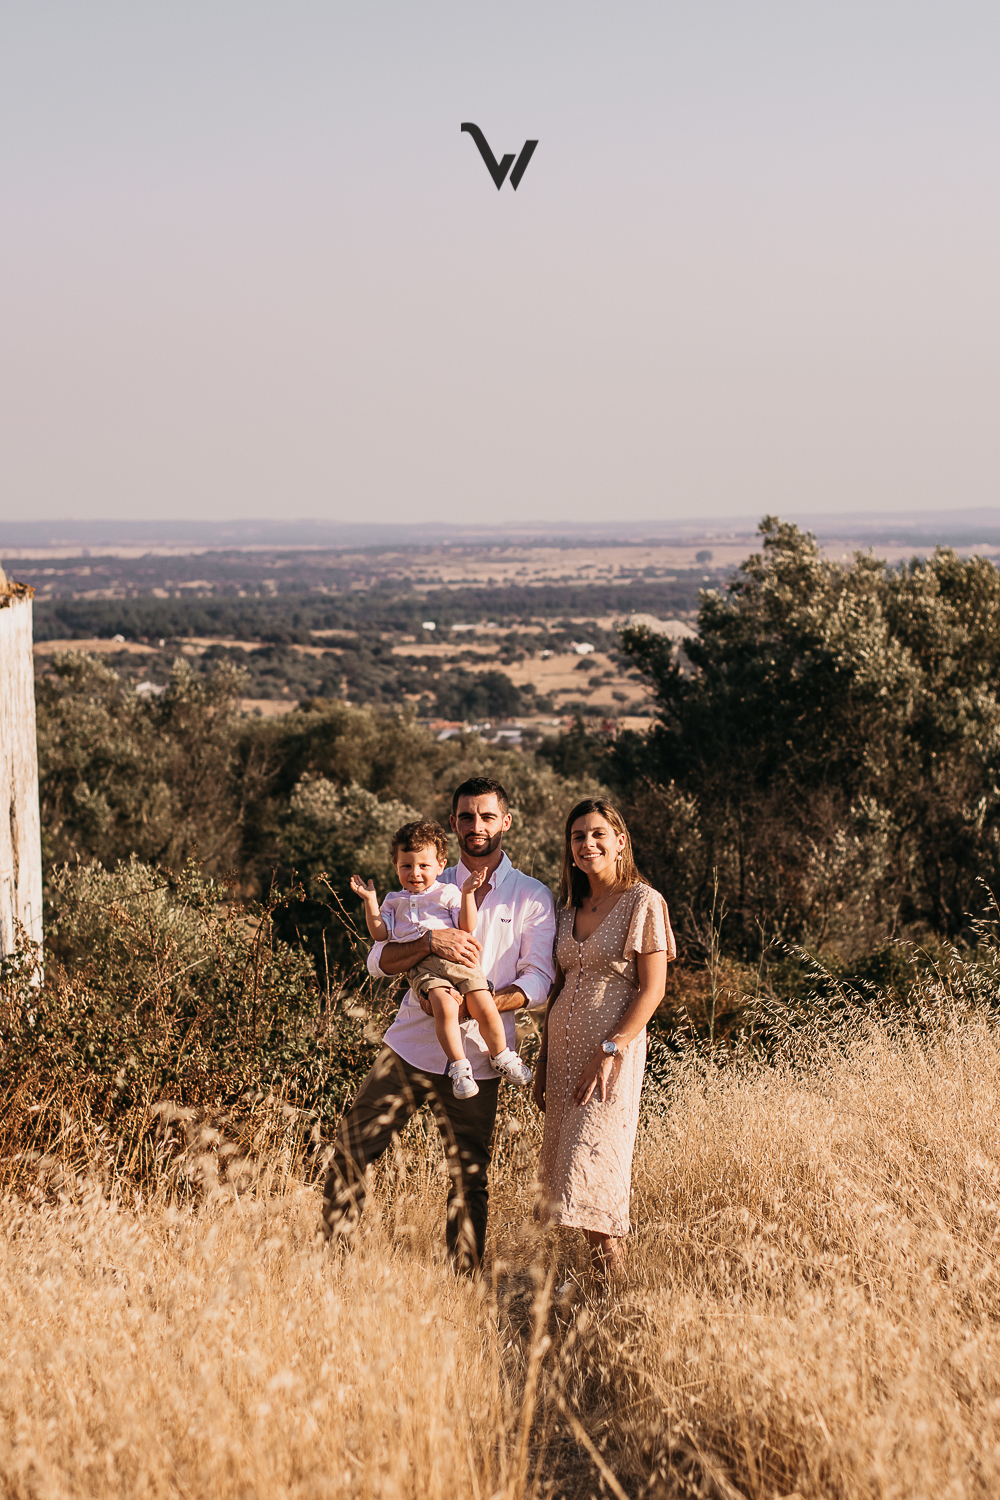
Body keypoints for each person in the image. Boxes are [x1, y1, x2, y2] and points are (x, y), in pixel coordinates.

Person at [323, 777, 556, 1272]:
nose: (477, 826)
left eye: (487, 816)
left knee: (468, 1179)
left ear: (506, 822)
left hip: (481, 1059)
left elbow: (538, 980)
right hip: (409, 1047)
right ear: (453, 823)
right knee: (351, 1151)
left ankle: (462, 1284)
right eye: (467, 816)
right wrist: (430, 944)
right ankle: (334, 1268)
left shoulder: (532, 896)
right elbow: (377, 961)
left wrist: (479, 1005)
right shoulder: (424, 876)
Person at [533, 798, 675, 1276]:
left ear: (619, 842)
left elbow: (653, 990)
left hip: (609, 1061)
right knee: (564, 1184)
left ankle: (618, 1298)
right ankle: (585, 1299)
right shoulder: (569, 906)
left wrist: (608, 1051)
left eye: (597, 834)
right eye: (577, 837)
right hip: (562, 1062)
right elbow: (557, 988)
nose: (587, 843)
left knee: (596, 1176)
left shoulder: (643, 902)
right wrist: (543, 1061)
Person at [350, 819, 533, 1099]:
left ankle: (502, 1055)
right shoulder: (393, 901)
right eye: (406, 866)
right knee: (445, 1007)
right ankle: (460, 1067)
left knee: (484, 1003)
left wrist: (468, 893)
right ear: (396, 867)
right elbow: (379, 934)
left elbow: (466, 925)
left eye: (423, 866)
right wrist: (370, 901)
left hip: (460, 963)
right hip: (426, 969)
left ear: (440, 865)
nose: (415, 873)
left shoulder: (448, 891)